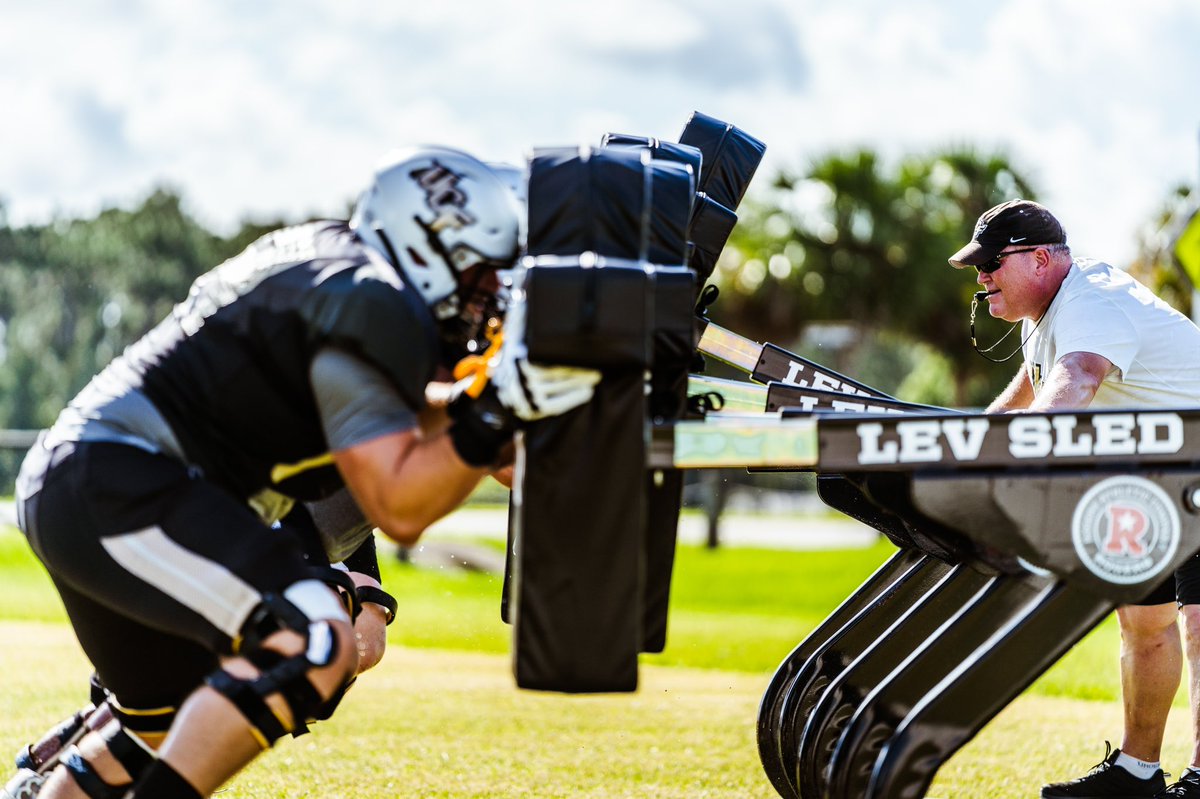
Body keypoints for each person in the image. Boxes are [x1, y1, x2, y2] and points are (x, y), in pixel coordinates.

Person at [12, 145, 600, 799]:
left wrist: (490, 408)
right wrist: (499, 407)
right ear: (431, 245)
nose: (491, 295)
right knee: (311, 640)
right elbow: (401, 503)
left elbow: (415, 423)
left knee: (166, 720)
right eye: (484, 274)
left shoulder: (346, 274)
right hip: (119, 481)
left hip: (89, 482)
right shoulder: (373, 297)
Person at [949, 199, 1200, 799]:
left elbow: (1077, 379)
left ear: (1040, 259)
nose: (982, 279)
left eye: (992, 265)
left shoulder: (1091, 300)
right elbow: (1033, 385)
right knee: (1144, 622)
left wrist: (1017, 465)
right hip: (1162, 476)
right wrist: (964, 449)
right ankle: (1138, 775)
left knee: (1197, 619)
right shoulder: (1053, 313)